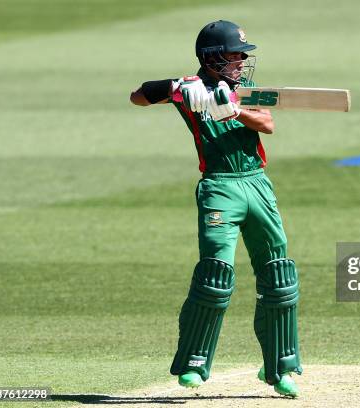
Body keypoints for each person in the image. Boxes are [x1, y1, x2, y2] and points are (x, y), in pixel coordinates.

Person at [129, 20, 301, 397]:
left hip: (257, 184)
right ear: (211, 57)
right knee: (215, 276)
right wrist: (178, 87)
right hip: (219, 187)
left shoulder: (247, 90)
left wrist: (232, 109)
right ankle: (193, 362)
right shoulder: (189, 91)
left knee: (279, 276)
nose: (242, 60)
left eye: (243, 54)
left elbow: (268, 124)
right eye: (235, 54)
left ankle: (281, 369)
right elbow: (137, 97)